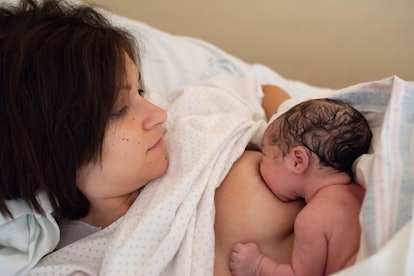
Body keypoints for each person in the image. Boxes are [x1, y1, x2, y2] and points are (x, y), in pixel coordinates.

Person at [0, 0, 300, 274]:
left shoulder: (187, 115)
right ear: (53, 152)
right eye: (119, 109)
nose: (158, 113)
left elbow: (267, 94)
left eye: (139, 90)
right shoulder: (77, 263)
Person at [229, 98, 372, 276]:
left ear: (297, 161)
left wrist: (258, 265)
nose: (260, 161)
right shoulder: (363, 192)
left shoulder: (312, 219)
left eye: (265, 154)